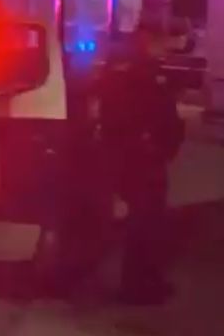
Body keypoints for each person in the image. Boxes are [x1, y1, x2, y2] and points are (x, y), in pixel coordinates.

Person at [99, 21, 185, 304]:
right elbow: (122, 118)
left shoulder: (148, 69)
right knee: (142, 225)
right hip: (138, 161)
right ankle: (135, 286)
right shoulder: (128, 72)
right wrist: (144, 144)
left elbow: (163, 111)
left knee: (152, 224)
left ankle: (149, 279)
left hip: (151, 159)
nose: (162, 45)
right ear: (144, 39)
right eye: (157, 39)